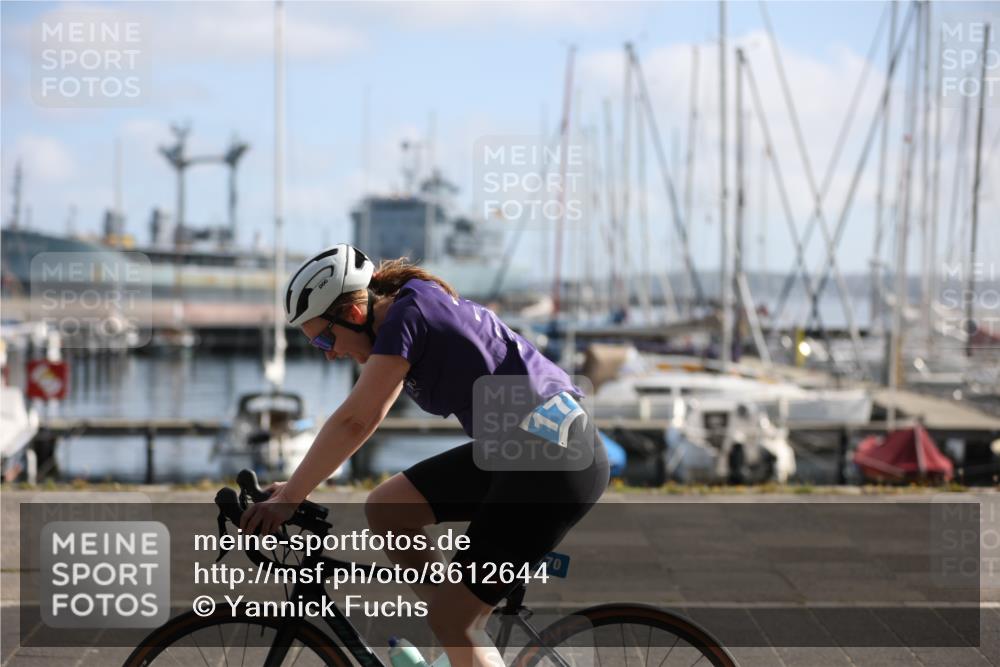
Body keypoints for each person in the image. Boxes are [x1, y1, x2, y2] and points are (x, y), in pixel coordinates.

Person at [241, 244, 609, 667]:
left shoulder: (407, 316)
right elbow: (362, 415)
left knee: (453, 620)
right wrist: (292, 489)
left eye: (325, 337)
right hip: (522, 450)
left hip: (551, 456)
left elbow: (356, 420)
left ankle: (460, 632)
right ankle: (463, 647)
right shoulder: (405, 314)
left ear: (353, 314)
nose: (328, 352)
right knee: (388, 509)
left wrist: (290, 499)